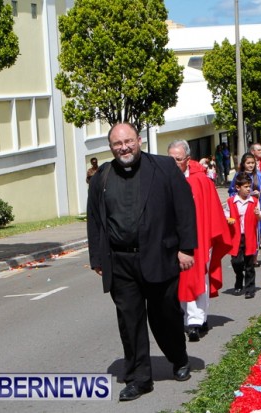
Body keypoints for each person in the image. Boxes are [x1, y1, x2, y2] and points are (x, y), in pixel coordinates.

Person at [87, 123, 196, 401]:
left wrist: (186, 248)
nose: (124, 147)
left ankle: (178, 357)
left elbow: (184, 208)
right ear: (110, 147)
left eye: (129, 141)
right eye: (117, 144)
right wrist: (97, 258)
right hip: (120, 261)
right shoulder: (102, 177)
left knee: (164, 316)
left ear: (139, 140)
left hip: (160, 256)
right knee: (129, 320)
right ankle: (140, 377)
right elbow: (95, 219)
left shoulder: (164, 168)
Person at [167, 140, 232, 342]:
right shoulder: (163, 178)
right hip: (171, 240)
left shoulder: (201, 181)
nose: (173, 163)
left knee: (196, 278)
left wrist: (209, 238)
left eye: (177, 160)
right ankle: (180, 317)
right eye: (170, 159)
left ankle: (196, 320)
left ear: (187, 159)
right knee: (174, 281)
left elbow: (211, 210)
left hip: (198, 238)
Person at [225, 172, 261, 299]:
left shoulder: (254, 201)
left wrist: (258, 214)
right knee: (236, 261)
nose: (249, 189)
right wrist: (228, 219)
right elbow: (224, 215)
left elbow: (260, 217)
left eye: (249, 186)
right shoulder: (231, 201)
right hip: (236, 236)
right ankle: (238, 278)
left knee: (249, 264)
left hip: (249, 236)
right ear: (238, 188)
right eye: (246, 187)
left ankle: (249, 288)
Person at [228, 153, 261, 255]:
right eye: (248, 163)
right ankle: (241, 253)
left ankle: (253, 256)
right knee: (241, 232)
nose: (251, 165)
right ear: (243, 164)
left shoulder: (259, 175)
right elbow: (232, 191)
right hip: (241, 208)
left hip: (254, 208)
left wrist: (259, 194)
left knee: (255, 232)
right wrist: (241, 195)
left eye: (253, 163)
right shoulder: (238, 176)